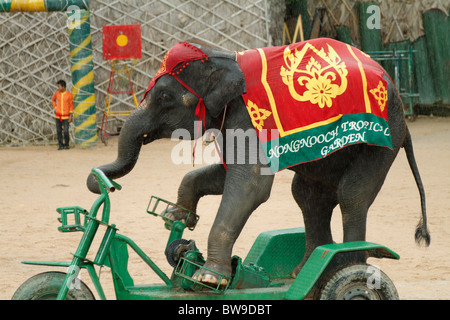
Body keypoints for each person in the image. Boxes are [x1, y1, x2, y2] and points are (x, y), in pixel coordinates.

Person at [52, 80, 73, 150]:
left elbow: (71, 105)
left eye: (59, 86)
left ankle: (66, 144)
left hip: (66, 116)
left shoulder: (69, 95)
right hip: (58, 115)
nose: (58, 88)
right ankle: (60, 145)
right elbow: (53, 100)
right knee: (58, 131)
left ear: (63, 86)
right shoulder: (57, 93)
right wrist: (55, 107)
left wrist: (70, 116)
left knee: (66, 131)